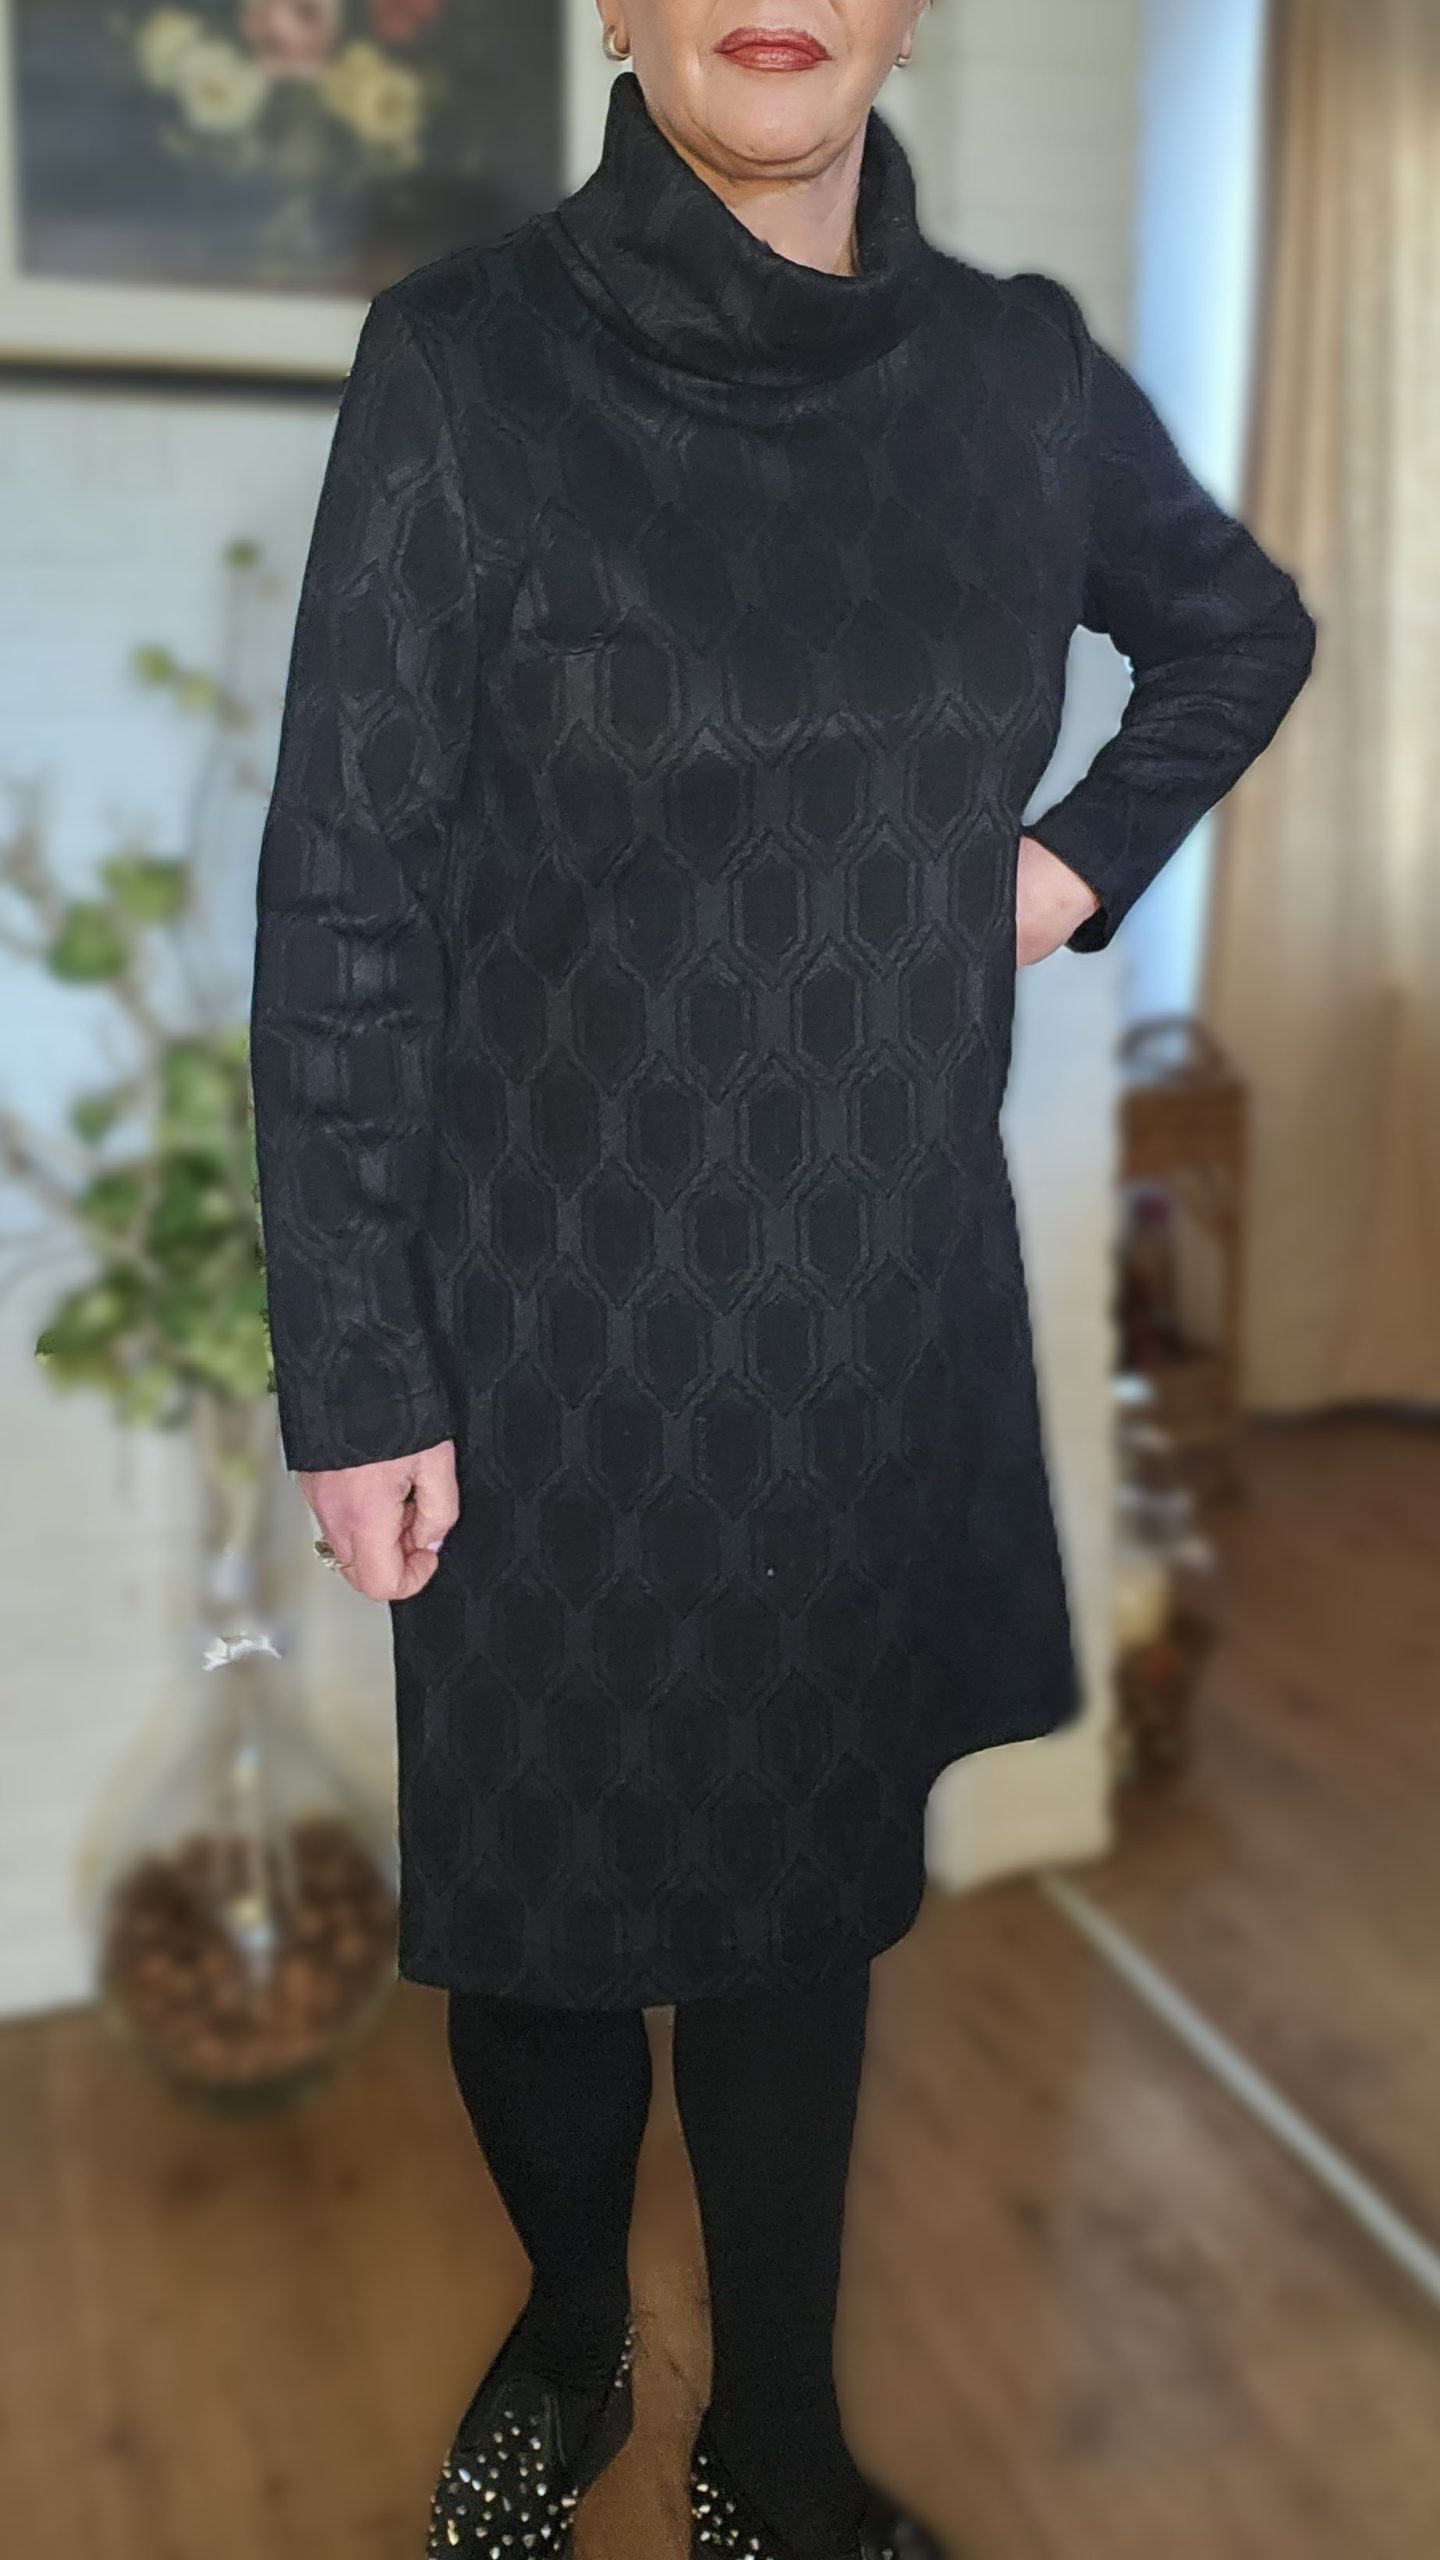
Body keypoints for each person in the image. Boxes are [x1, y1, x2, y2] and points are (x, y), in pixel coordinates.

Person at [247, 5, 1316, 2554]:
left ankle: (780, 2446)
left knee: (792, 1921)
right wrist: (358, 1364)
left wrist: (1063, 868)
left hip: (854, 1319)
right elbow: (348, 895)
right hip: (532, 1330)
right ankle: (574, 2328)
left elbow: (1234, 631)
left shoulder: (1016, 382)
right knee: (540, 1934)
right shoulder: (468, 369)